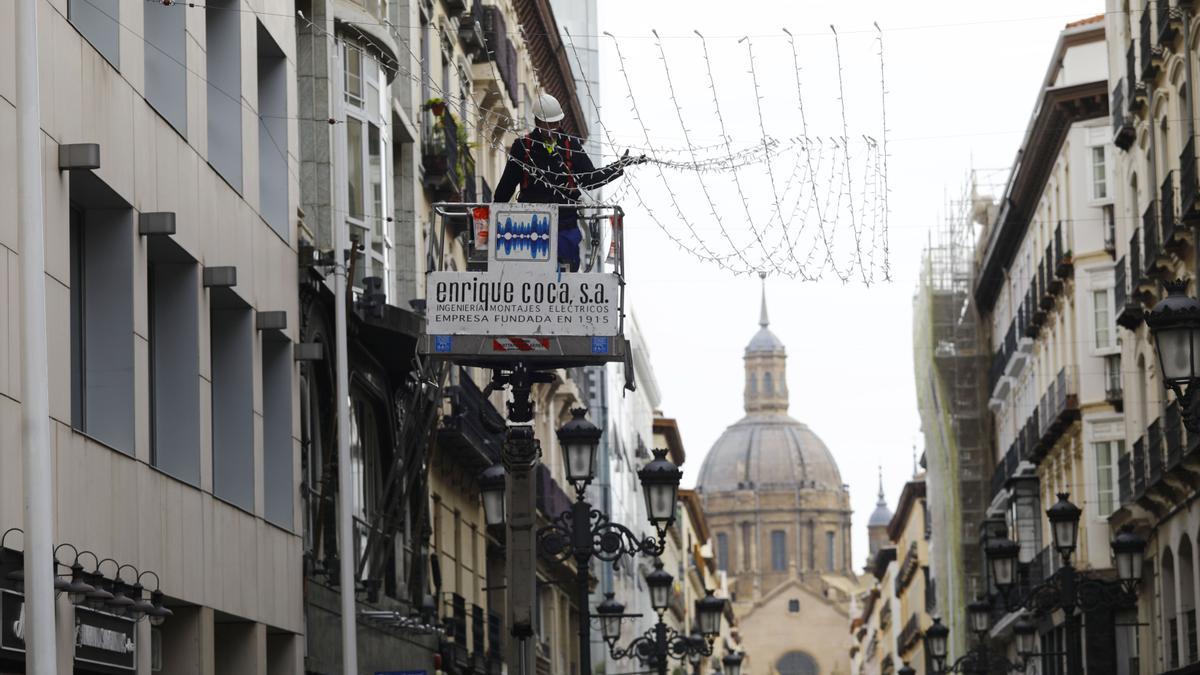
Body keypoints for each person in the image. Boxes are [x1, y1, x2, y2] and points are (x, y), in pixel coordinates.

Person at [493, 93, 646, 270]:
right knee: (530, 270)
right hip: (530, 224)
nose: (554, 127)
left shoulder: (570, 146)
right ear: (538, 122)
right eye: (548, 123)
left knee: (565, 273)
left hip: (564, 224)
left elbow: (589, 179)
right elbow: (506, 187)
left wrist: (618, 166)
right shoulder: (523, 147)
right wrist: (493, 218)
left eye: (556, 122)